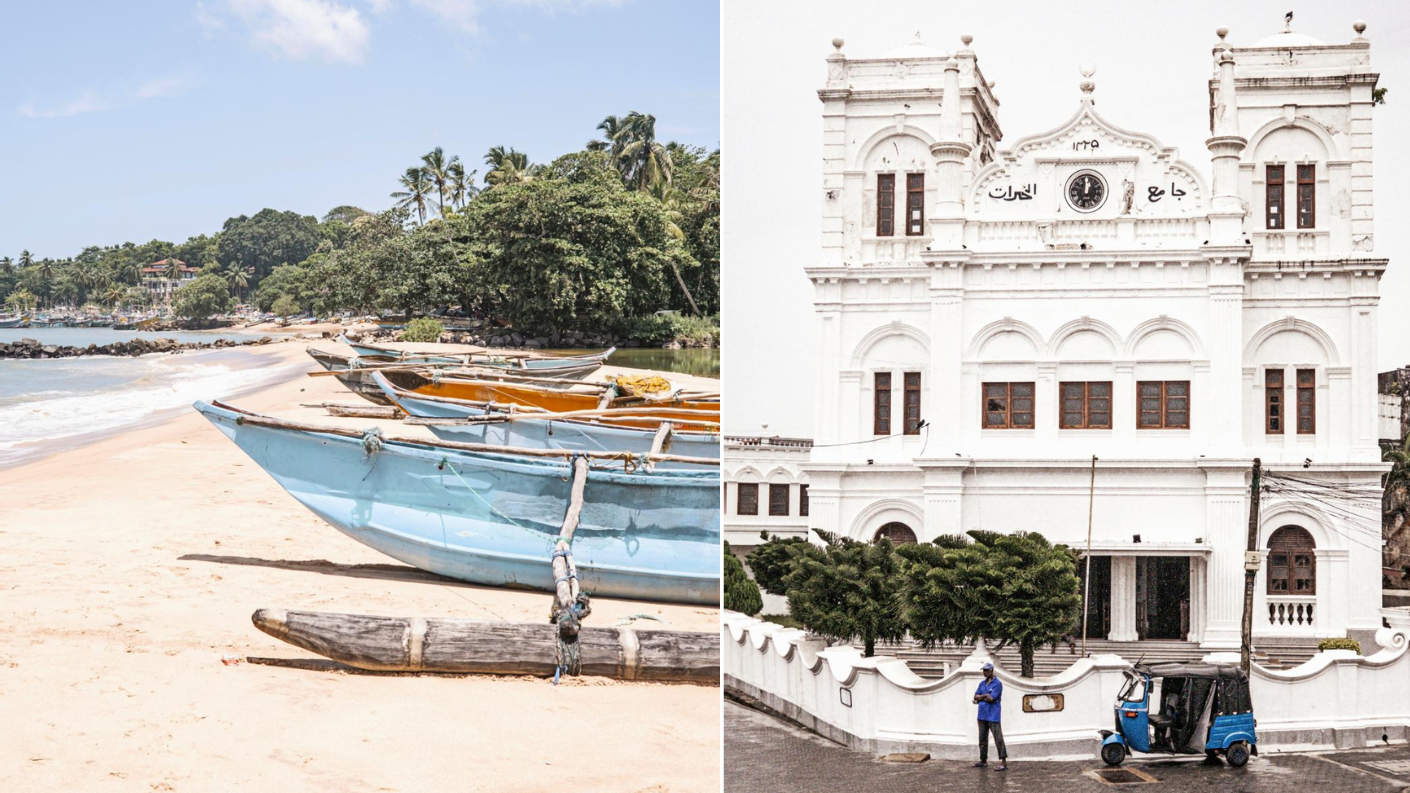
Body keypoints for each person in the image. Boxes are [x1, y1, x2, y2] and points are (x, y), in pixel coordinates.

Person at [972, 661, 1007, 771]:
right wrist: (984, 695)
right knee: (982, 739)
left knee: (998, 738)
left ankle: (1003, 762)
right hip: (982, 715)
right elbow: (975, 696)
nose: (984, 672)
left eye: (986, 670)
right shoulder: (982, 684)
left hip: (993, 715)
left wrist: (982, 697)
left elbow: (991, 698)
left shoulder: (997, 684)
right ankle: (983, 760)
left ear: (991, 671)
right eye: (983, 670)